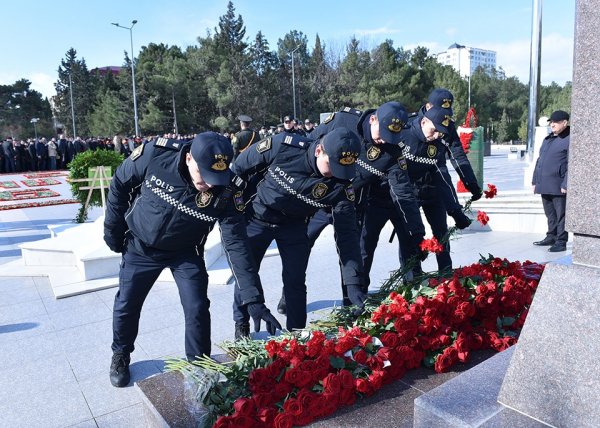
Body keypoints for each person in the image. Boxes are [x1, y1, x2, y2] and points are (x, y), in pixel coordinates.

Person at [103, 132, 281, 388]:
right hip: (142, 246)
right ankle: (120, 353)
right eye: (204, 175)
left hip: (186, 251)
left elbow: (236, 243)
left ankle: (199, 364)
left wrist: (253, 297)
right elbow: (120, 182)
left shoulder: (228, 189)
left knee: (197, 306)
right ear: (189, 158)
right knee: (127, 303)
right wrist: (114, 232)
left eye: (215, 177)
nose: (209, 184)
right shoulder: (156, 154)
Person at [276, 102, 425, 313]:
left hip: (351, 205)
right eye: (382, 134)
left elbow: (404, 193)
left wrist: (417, 231)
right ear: (373, 119)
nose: (384, 141)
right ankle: (288, 295)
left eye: (390, 137)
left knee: (350, 256)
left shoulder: (393, 150)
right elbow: (308, 147)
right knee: (300, 248)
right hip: (317, 201)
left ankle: (351, 304)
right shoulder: (342, 121)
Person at [231, 128, 366, 338]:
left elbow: (347, 234)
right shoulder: (283, 146)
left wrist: (354, 283)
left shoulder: (342, 181)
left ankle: (296, 335)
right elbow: (238, 168)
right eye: (332, 165)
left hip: (294, 225)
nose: (334, 174)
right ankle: (242, 325)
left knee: (295, 280)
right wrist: (236, 210)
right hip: (258, 217)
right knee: (248, 270)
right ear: (319, 150)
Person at [532, 110, 570, 252]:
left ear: (565, 123)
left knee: (561, 215)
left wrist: (566, 183)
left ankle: (561, 241)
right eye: (551, 122)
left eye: (556, 122)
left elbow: (572, 164)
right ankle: (551, 236)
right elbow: (539, 161)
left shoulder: (569, 139)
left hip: (558, 184)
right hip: (544, 183)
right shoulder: (548, 139)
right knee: (550, 214)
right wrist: (535, 181)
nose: (552, 124)